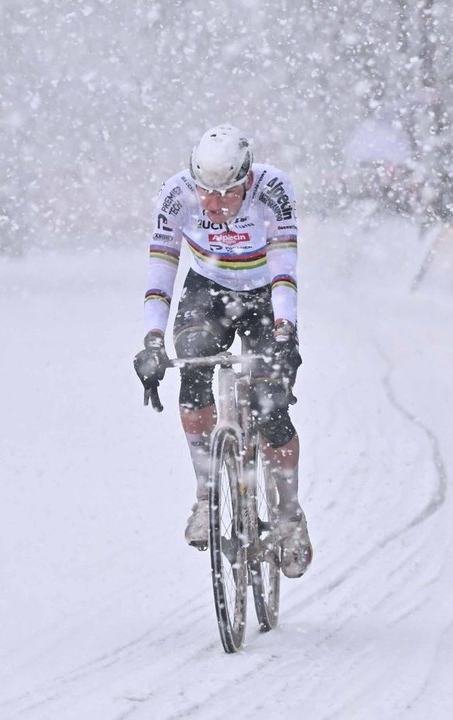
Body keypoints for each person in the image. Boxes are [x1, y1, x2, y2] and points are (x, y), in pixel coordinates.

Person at [133, 124, 312, 579]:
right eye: (205, 193)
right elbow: (162, 266)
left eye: (226, 194)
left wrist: (286, 332)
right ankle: (206, 497)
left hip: (263, 296)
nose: (213, 205)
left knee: (270, 404)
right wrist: (152, 339)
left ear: (247, 180)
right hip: (207, 291)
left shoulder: (273, 190)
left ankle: (289, 515)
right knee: (191, 369)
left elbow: (284, 267)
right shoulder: (176, 195)